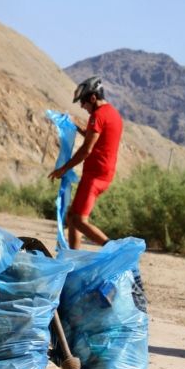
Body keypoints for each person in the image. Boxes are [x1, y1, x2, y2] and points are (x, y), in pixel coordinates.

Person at [48, 76, 123, 249]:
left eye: (83, 102)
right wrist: (76, 128)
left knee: (79, 220)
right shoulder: (113, 113)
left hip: (95, 175)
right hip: (103, 174)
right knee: (73, 217)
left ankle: (113, 249)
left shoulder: (97, 116)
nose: (82, 107)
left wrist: (63, 169)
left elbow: (86, 150)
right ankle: (74, 259)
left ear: (93, 98)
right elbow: (97, 138)